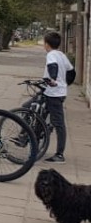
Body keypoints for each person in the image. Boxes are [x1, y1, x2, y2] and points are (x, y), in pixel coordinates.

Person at [41, 32, 72, 163]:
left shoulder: (51, 55)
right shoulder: (62, 55)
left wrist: (53, 80)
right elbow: (71, 71)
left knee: (58, 123)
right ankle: (27, 137)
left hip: (54, 94)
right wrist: (64, 84)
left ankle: (60, 154)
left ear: (46, 44)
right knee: (34, 109)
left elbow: (52, 66)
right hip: (55, 91)